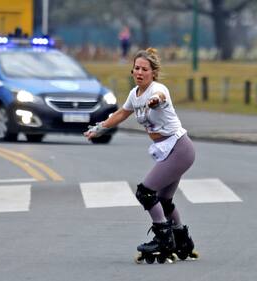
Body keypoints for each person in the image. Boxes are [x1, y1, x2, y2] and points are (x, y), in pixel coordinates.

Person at [84, 48, 197, 263]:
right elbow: (120, 114)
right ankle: (182, 241)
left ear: (153, 73)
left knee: (145, 193)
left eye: (144, 69)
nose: (139, 72)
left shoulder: (158, 89)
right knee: (163, 200)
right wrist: (99, 128)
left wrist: (154, 101)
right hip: (169, 150)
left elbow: (160, 97)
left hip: (179, 149)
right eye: (136, 68)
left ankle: (164, 238)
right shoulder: (134, 94)